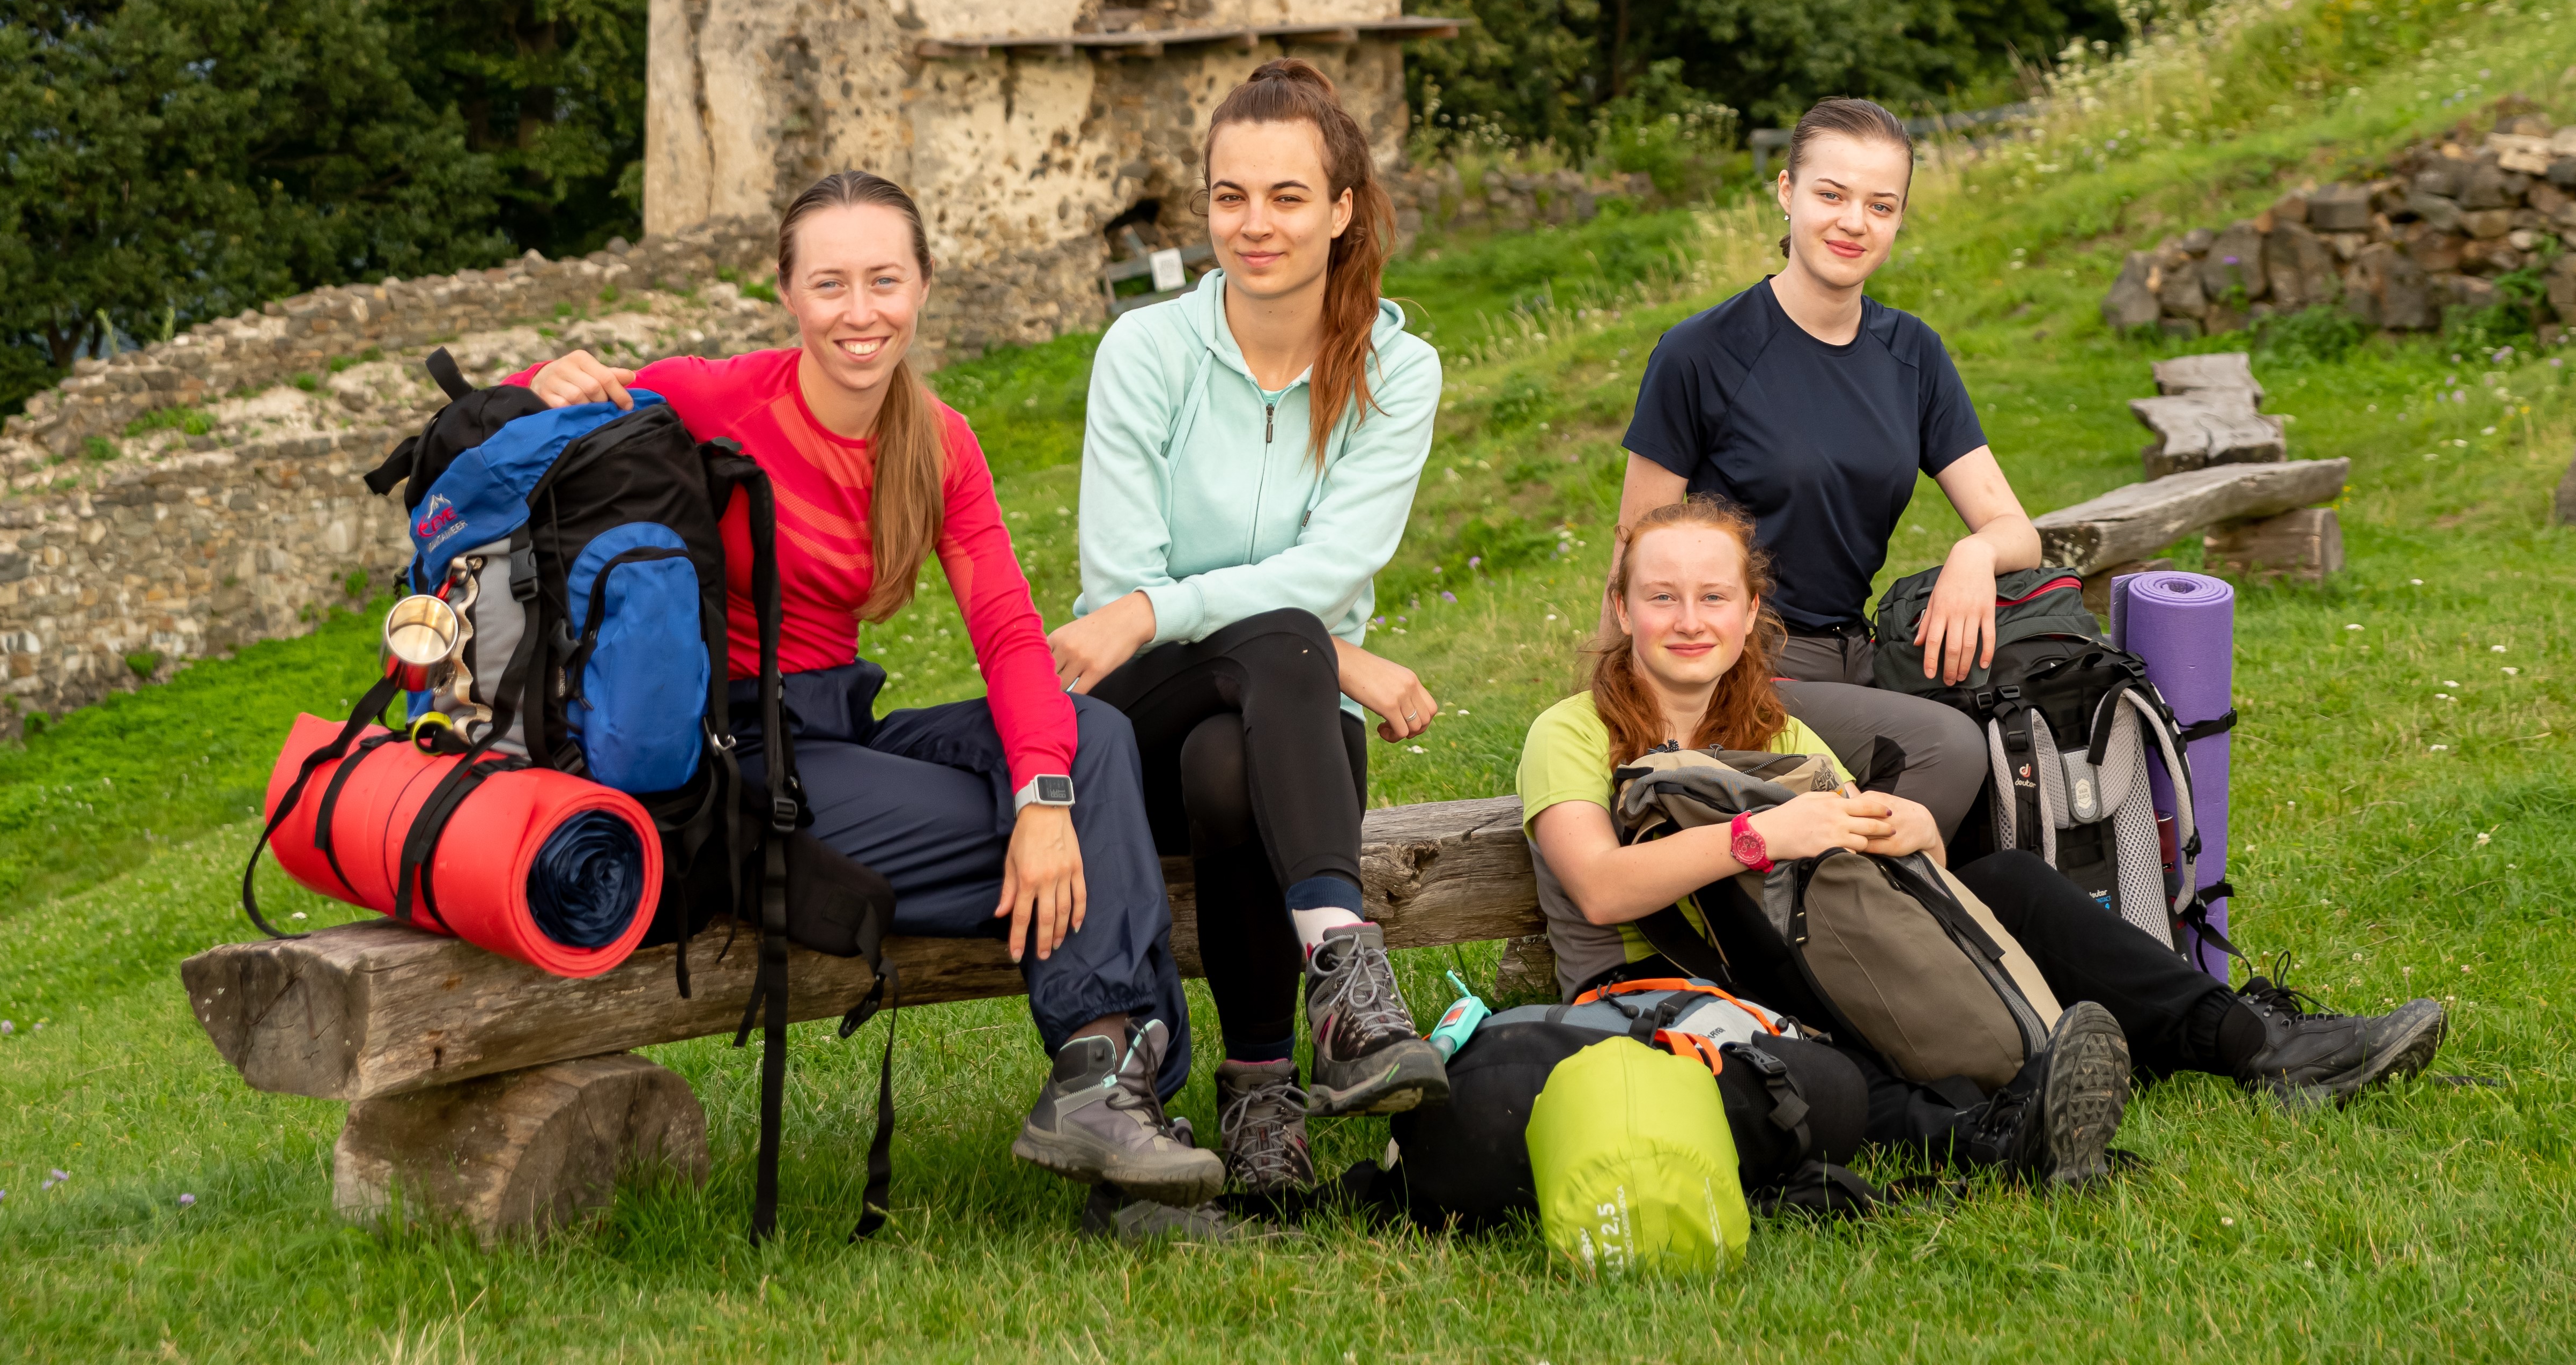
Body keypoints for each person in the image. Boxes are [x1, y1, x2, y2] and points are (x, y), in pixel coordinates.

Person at [512, 169, 1224, 1214]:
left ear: (922, 286)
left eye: (883, 280)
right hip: (745, 763)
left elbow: (1006, 634)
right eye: (831, 284)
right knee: (1095, 842)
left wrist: (1041, 797)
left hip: (843, 727)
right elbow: (543, 408)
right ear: (789, 295)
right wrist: (546, 376)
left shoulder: (938, 444)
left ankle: (1101, 1089)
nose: (860, 312)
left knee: (1090, 738)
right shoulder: (717, 396)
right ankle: (1132, 1132)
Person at [1526, 496, 2447, 1184]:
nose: (1690, 621)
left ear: (1749, 612)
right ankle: (2001, 1137)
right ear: (1622, 605)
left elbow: (1862, 867)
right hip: (1666, 988)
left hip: (1801, 953)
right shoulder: (1569, 731)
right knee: (1812, 1066)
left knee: (2004, 878)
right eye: (1663, 597)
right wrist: (1767, 833)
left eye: (1712, 597)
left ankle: (2252, 1043)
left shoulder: (1772, 726)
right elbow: (1602, 888)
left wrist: (1907, 829)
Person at [1052, 58, 1448, 1209]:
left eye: (1284, 196)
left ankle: (1260, 1089)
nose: (1253, 224)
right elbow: (1122, 590)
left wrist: (1218, 615)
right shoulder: (1146, 354)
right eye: (1230, 195)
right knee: (1287, 643)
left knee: (1246, 738)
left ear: (1340, 210)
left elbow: (1332, 569)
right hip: (1137, 723)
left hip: (1281, 737)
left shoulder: (1395, 372)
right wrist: (1336, 648)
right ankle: (1341, 969)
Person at [1603, 96, 2026, 841]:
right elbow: (1636, 546)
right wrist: (1622, 718)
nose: (1853, 221)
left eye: (1881, 204)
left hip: (1855, 658)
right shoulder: (1701, 353)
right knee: (1949, 749)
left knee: (2012, 742)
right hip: (1732, 663)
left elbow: (2014, 527)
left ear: (1898, 220)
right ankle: (1879, 929)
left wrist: (1975, 552)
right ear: (1787, 193)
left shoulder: (1913, 355)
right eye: (1831, 194)